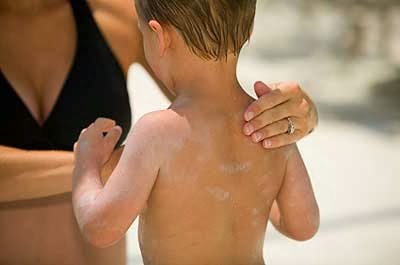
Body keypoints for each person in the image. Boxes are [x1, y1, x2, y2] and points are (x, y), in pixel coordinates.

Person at [0, 0, 318, 264]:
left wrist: (86, 167)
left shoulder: (156, 132)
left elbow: (101, 227)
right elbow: (303, 226)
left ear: (158, 36)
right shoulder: (270, 130)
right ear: (248, 31)